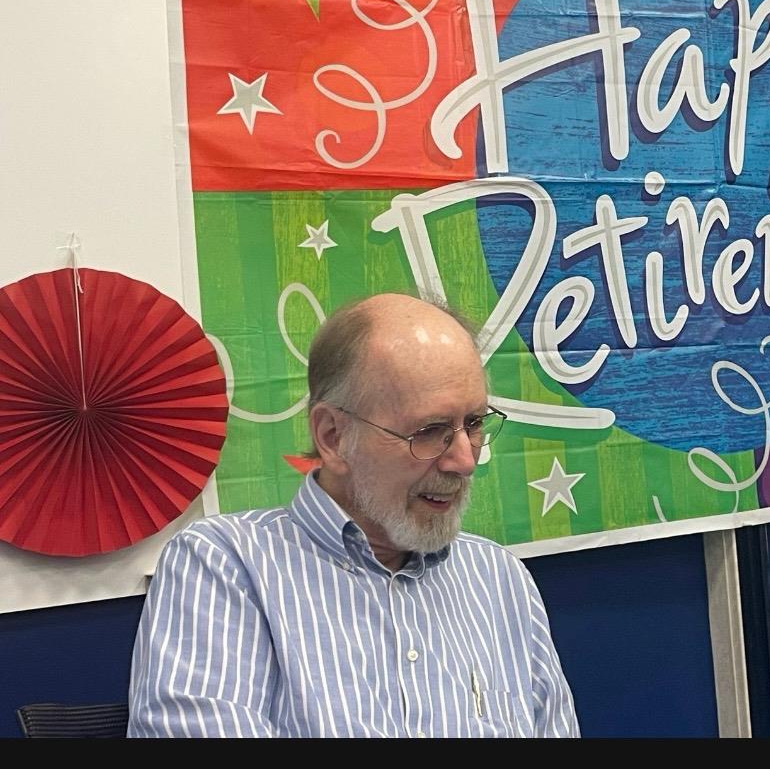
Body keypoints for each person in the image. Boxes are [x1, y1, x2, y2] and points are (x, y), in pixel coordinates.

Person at [129, 293, 579, 737]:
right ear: (333, 436)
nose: (464, 460)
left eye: (475, 424)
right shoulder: (226, 567)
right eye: (430, 431)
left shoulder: (499, 579)